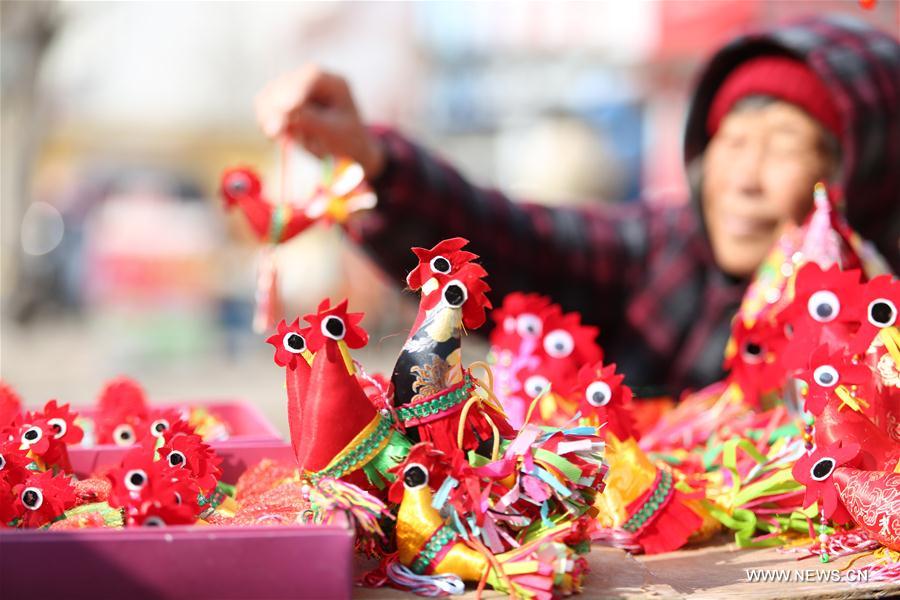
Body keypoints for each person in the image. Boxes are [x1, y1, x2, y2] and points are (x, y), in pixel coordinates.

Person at [254, 15, 899, 398]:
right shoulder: (664, 249)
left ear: (864, 171)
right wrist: (374, 161)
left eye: (783, 147)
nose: (743, 180)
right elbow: (517, 240)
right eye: (730, 143)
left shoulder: (883, 309)